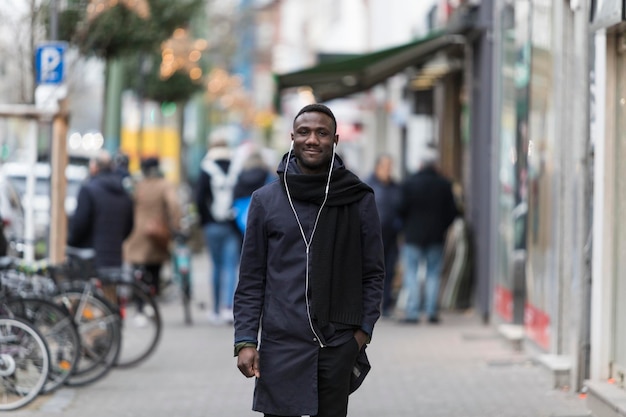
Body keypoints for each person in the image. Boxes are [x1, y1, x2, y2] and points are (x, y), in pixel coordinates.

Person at [234, 103, 385, 417]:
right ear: (292, 137)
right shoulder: (266, 200)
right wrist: (246, 340)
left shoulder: (357, 197)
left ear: (335, 140)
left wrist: (360, 335)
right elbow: (251, 278)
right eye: (304, 132)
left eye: (322, 133)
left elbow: (373, 273)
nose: (312, 139)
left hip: (335, 343)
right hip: (280, 344)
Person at [397, 148, 459, 324]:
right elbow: (453, 212)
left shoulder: (409, 183)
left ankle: (413, 313)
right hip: (436, 236)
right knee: (433, 274)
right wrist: (442, 227)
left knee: (411, 273)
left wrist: (406, 226)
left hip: (412, 235)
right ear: (435, 165)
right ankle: (432, 312)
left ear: (420, 164)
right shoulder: (444, 184)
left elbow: (400, 208)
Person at [195, 137, 241, 324]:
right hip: (231, 224)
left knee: (216, 266)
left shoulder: (206, 168)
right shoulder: (235, 167)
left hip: (212, 225)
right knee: (231, 266)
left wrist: (205, 219)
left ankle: (214, 310)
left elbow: (199, 198)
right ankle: (228, 308)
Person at [123, 157, 181, 296]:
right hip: (156, 233)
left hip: (136, 233)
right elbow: (174, 205)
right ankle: (152, 301)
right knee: (154, 269)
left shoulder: (137, 185)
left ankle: (140, 305)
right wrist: (176, 225)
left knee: (137, 270)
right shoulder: (164, 185)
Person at [68, 149, 134, 269]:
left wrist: (70, 242)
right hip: (115, 259)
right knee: (110, 287)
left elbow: (79, 224)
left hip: (89, 258)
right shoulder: (123, 192)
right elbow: (129, 226)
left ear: (94, 167)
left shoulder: (88, 190)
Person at [366, 154, 402, 317]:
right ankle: (368, 306)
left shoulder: (395, 187)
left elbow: (401, 208)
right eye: (386, 166)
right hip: (371, 238)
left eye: (390, 166)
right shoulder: (368, 184)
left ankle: (386, 305)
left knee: (389, 270)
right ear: (378, 167)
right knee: (371, 272)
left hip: (391, 237)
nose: (389, 170)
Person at [232, 150, 273, 235]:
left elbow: (235, 195)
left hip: (242, 216)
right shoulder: (267, 175)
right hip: (263, 214)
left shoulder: (240, 176)